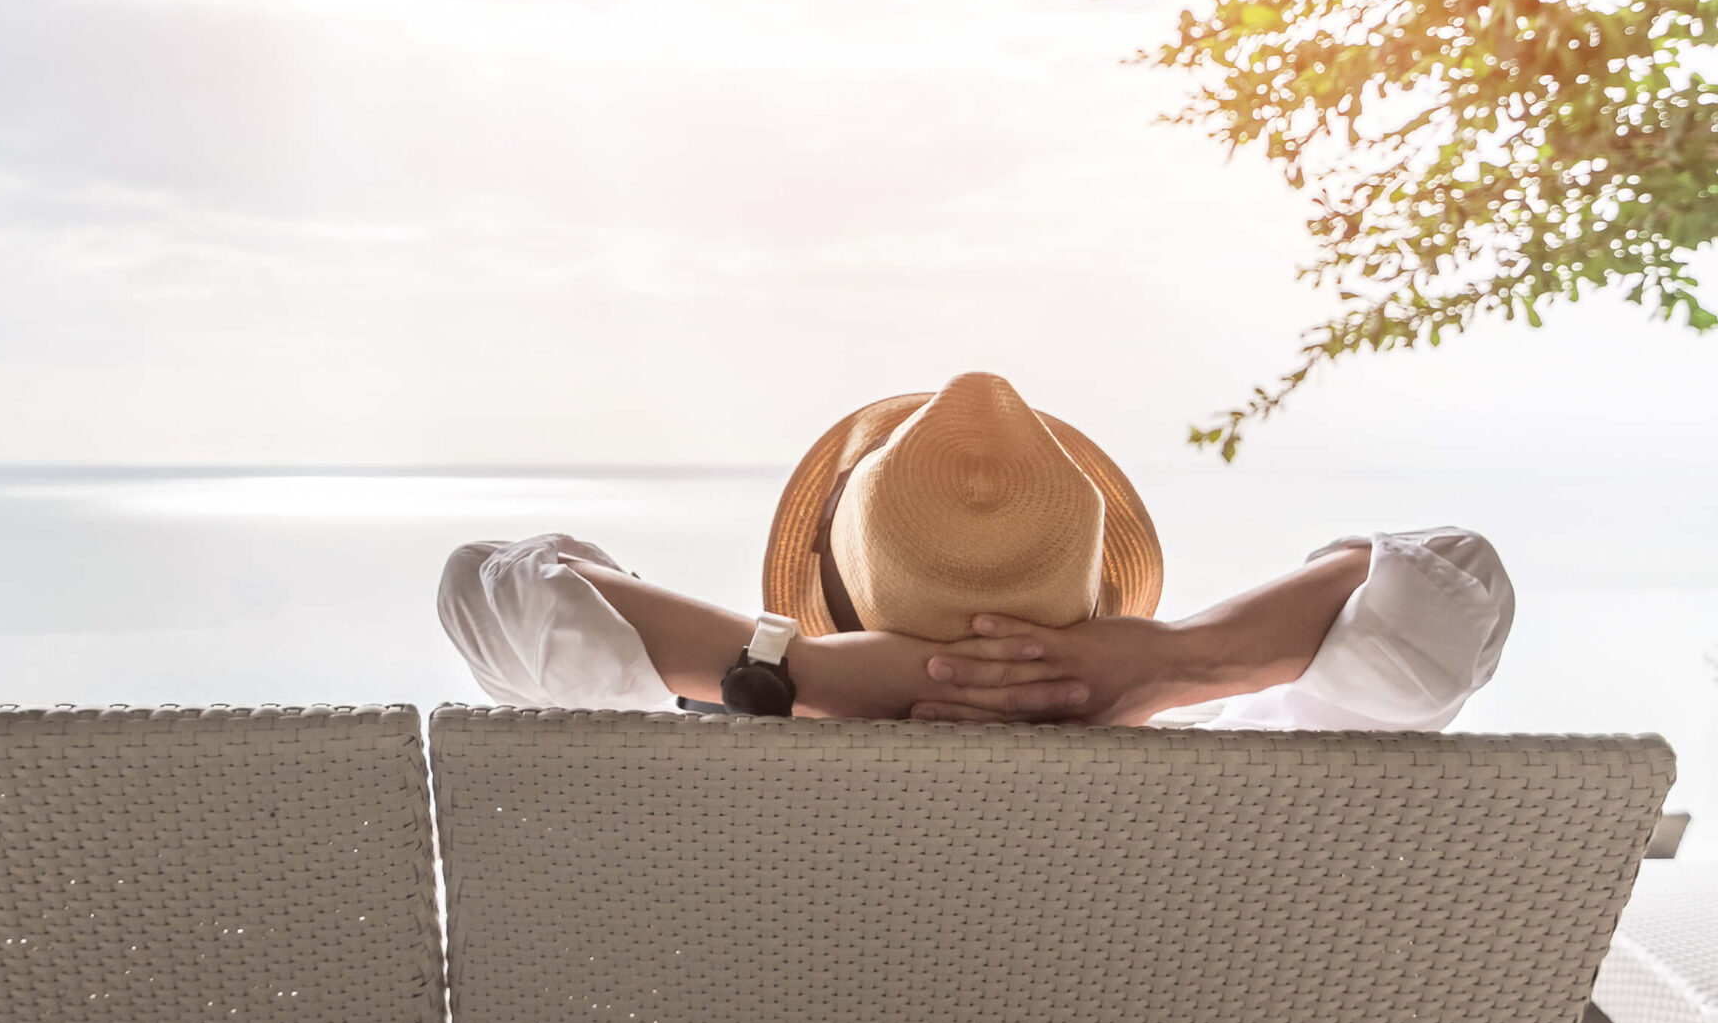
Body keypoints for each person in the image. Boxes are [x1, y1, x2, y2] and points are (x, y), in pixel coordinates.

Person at [438, 372, 1513, 729]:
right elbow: (1441, 581)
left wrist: (793, 675)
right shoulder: (1261, 770)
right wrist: (1174, 661)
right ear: (1095, 589)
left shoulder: (703, 787)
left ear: (836, 578)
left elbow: (497, 590)